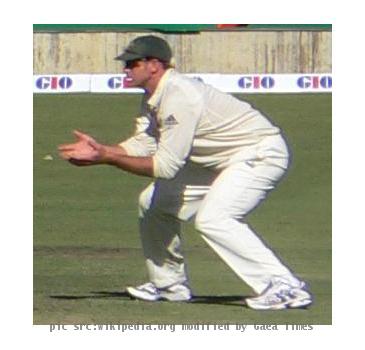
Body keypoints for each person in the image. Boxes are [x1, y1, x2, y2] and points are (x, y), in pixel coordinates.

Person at [58, 35, 312, 310]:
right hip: (218, 160)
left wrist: (106, 157)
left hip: (258, 153)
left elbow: (165, 167)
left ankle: (284, 286)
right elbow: (145, 142)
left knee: (215, 218)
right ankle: (169, 285)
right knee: (153, 203)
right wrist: (101, 150)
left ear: (154, 65)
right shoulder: (154, 97)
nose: (126, 69)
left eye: (132, 63)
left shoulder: (180, 95)